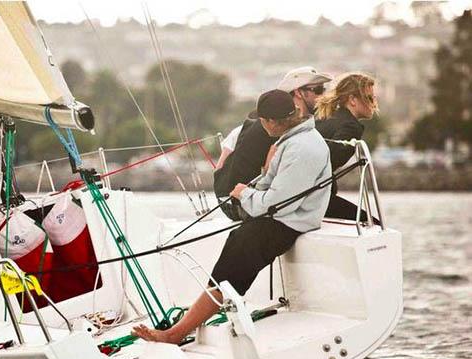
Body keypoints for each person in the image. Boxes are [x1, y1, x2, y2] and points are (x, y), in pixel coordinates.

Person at [133, 90, 331, 344]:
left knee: (228, 274)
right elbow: (270, 184)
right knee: (228, 264)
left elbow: (277, 205)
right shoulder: (292, 140)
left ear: (269, 121)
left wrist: (244, 193)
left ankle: (176, 334)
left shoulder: (302, 148)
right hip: (277, 220)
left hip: (285, 224)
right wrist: (249, 192)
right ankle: (182, 328)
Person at [214, 67, 332, 220]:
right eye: (319, 90)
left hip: (238, 197)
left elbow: (222, 162)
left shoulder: (274, 120)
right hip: (237, 203)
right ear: (299, 93)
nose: (324, 95)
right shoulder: (277, 127)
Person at [314, 73, 378, 220]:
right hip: (315, 197)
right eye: (369, 98)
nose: (374, 103)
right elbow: (329, 158)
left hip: (307, 192)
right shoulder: (350, 126)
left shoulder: (329, 118)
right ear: (352, 100)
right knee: (371, 223)